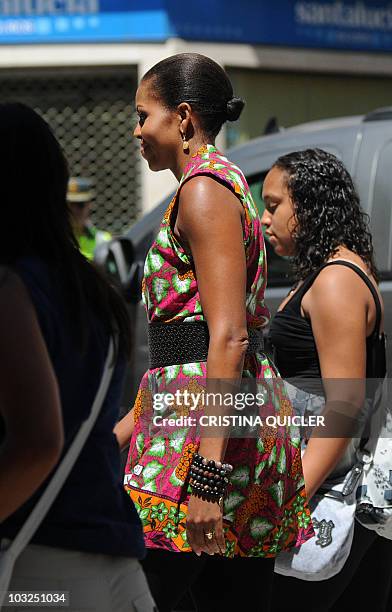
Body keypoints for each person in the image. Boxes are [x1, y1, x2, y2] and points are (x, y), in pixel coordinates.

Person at [114, 53, 313, 612]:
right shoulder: (213, 186)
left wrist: (205, 476)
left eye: (142, 115)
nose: (136, 131)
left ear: (181, 118)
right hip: (202, 426)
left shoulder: (203, 190)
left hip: (202, 445)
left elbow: (226, 338)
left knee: (139, 596)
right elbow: (186, 347)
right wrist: (125, 429)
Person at [0, 103, 155, 612]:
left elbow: (39, 442)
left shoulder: (13, 288)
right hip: (118, 573)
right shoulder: (91, 287)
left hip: (40, 578)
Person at [261, 148, 392, 611]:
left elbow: (344, 405)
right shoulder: (326, 273)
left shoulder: (335, 279)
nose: (263, 219)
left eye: (274, 205)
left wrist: (286, 502)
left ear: (310, 204)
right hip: (338, 494)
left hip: (330, 497)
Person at [67, 176, 112, 261]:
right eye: (70, 205)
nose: (74, 211)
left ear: (89, 206)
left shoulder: (102, 240)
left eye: (80, 205)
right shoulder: (55, 240)